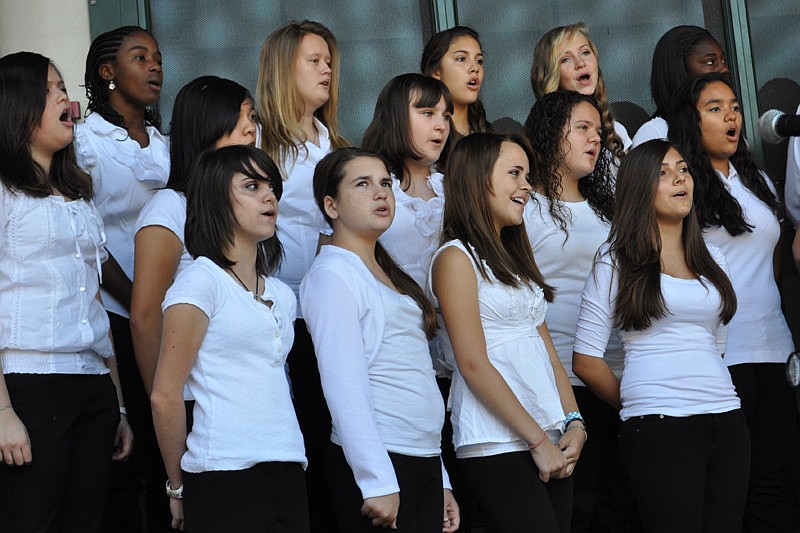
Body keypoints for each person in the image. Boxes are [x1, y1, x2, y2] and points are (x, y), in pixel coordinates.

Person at [572, 139, 749, 532]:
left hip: (726, 418)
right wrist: (641, 399)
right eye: (664, 173)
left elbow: (718, 345)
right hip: (658, 424)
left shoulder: (713, 258)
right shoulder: (616, 259)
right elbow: (585, 360)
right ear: (640, 188)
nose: (680, 179)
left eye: (683, 170)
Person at [0, 51, 133, 532]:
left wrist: (118, 404)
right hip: (29, 382)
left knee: (87, 520)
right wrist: (2, 412)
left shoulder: (79, 195)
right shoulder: (5, 192)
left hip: (92, 381)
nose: (64, 99)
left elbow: (93, 300)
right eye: (49, 90)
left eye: (62, 88)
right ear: (17, 106)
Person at [431, 132, 584, 533]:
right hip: (495, 438)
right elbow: (472, 363)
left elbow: (547, 350)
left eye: (527, 176)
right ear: (477, 179)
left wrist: (575, 423)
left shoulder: (514, 258)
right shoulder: (455, 258)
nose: (526, 186)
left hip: (549, 431)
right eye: (514, 173)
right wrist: (538, 442)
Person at [301, 147, 459, 532]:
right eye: (363, 184)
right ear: (331, 205)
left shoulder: (385, 270)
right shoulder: (332, 275)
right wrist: (377, 481)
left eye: (386, 183)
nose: (381, 192)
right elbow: (344, 387)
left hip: (421, 457)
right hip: (382, 465)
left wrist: (440, 477)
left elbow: (412, 371)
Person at [151, 145, 308, 532]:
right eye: (252, 186)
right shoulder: (200, 280)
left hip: (288, 464)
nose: (269, 196)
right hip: (222, 470)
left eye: (271, 187)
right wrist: (177, 488)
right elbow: (165, 395)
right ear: (216, 198)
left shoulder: (281, 294)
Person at [670, 72, 796, 533]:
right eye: (715, 108)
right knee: (730, 485)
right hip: (723, 354)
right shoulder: (685, 184)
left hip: (775, 347)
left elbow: (773, 261)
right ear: (692, 121)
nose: (731, 117)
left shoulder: (756, 179)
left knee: (773, 478)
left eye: (736, 107)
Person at [75, 25, 171, 531]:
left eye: (157, 58)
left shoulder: (166, 144)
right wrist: (139, 303)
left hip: (171, 314)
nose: (155, 66)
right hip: (117, 313)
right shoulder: (83, 142)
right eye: (140, 57)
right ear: (107, 72)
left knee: (172, 443)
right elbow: (86, 237)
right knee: (130, 452)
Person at [523, 90, 634, 532]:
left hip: (620, 377)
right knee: (578, 506)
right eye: (582, 128)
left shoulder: (611, 210)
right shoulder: (527, 208)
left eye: (598, 131)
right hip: (562, 383)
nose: (595, 139)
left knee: (620, 504)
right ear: (553, 135)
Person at [256, 22, 348, 529]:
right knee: (302, 427)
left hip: (332, 307)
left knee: (335, 423)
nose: (326, 69)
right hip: (282, 312)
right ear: (281, 70)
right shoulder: (262, 141)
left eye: (328, 61)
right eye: (313, 60)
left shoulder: (335, 142)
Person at [131, 75, 257, 396]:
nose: (250, 129)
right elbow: (145, 318)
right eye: (238, 117)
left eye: (252, 117)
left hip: (249, 396)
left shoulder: (251, 209)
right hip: (194, 399)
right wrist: (164, 405)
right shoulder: (170, 207)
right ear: (205, 125)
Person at [362, 72, 452, 293]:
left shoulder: (454, 186)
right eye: (428, 113)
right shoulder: (364, 184)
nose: (441, 125)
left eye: (446, 116)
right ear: (395, 117)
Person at [531, 22, 631, 164]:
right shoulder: (541, 140)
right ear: (550, 75)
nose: (580, 63)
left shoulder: (617, 132)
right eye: (566, 59)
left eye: (585, 52)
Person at [631, 25, 729, 147]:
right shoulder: (655, 134)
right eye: (710, 62)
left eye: (724, 60)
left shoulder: (728, 124)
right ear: (679, 71)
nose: (724, 69)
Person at [420, 25, 490, 138]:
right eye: (461, 59)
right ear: (436, 72)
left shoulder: (492, 136)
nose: (475, 68)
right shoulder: (425, 139)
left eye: (479, 61)